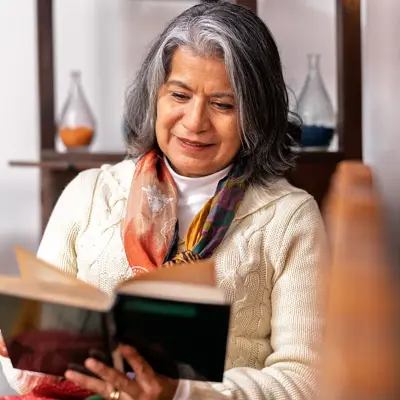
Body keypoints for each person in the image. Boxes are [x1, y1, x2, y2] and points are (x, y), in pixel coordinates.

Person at [0, 1, 326, 399]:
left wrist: (181, 393)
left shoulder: (289, 218)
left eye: (223, 104)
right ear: (156, 96)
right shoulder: (88, 195)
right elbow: (24, 369)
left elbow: (306, 380)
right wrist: (21, 350)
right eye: (180, 94)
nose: (195, 121)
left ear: (256, 113)